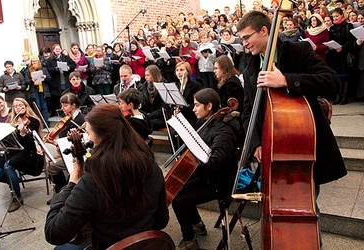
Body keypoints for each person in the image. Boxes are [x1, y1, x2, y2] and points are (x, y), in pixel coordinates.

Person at [236, 11, 347, 246]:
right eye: (242, 39)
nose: (244, 43)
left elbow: (332, 82)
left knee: (305, 208)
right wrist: (255, 142)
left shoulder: (298, 51)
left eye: (247, 37)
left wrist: (286, 80)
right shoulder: (249, 69)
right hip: (271, 148)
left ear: (264, 31)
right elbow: (248, 113)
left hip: (303, 146)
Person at [45, 104, 168, 249]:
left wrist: (71, 184)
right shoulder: (152, 167)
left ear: (101, 137)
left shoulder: (93, 180)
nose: (88, 139)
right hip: (145, 246)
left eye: (89, 134)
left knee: (62, 248)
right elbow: (161, 221)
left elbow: (53, 232)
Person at [172, 88, 240, 250]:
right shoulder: (208, 123)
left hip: (220, 182)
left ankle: (189, 240)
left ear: (209, 106)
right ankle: (197, 224)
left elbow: (216, 163)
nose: (193, 109)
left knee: (179, 200)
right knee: (177, 189)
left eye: (197, 105)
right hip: (208, 176)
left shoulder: (223, 130)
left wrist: (194, 165)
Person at [0, 98, 44, 213]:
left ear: (26, 106)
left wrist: (23, 133)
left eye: (21, 105)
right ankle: (14, 182)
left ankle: (17, 196)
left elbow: (31, 143)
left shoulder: (33, 120)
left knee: (7, 166)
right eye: (15, 106)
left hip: (28, 152)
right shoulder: (12, 120)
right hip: (13, 151)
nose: (18, 108)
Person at [44, 93, 85, 202]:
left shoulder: (79, 121)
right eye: (62, 105)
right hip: (66, 150)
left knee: (51, 167)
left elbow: (73, 144)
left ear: (73, 105)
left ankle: (62, 191)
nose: (62, 108)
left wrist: (54, 143)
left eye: (65, 105)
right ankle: (61, 190)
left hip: (75, 154)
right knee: (49, 162)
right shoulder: (70, 119)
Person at [327, 8, 355, 105]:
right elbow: (330, 39)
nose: (335, 18)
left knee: (345, 75)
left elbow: (350, 40)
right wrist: (330, 46)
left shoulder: (348, 26)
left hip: (344, 54)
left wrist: (342, 47)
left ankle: (345, 96)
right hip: (335, 55)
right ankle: (338, 95)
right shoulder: (332, 28)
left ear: (342, 15)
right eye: (333, 17)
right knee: (337, 75)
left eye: (337, 16)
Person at [46, 44, 76, 117]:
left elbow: (73, 64)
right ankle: (60, 111)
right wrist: (56, 69)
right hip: (56, 81)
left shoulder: (65, 57)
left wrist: (68, 67)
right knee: (57, 97)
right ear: (53, 50)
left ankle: (67, 111)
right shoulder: (50, 59)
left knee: (66, 95)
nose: (58, 50)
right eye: (56, 49)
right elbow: (48, 69)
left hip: (65, 80)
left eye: (59, 49)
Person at [24, 55, 52, 125]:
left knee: (44, 106)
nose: (34, 62)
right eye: (33, 61)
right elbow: (26, 82)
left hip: (42, 89)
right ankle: (40, 122)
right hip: (34, 90)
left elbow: (49, 79)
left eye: (35, 61)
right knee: (38, 107)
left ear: (38, 61)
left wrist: (45, 77)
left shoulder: (43, 69)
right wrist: (32, 80)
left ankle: (46, 121)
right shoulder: (28, 71)